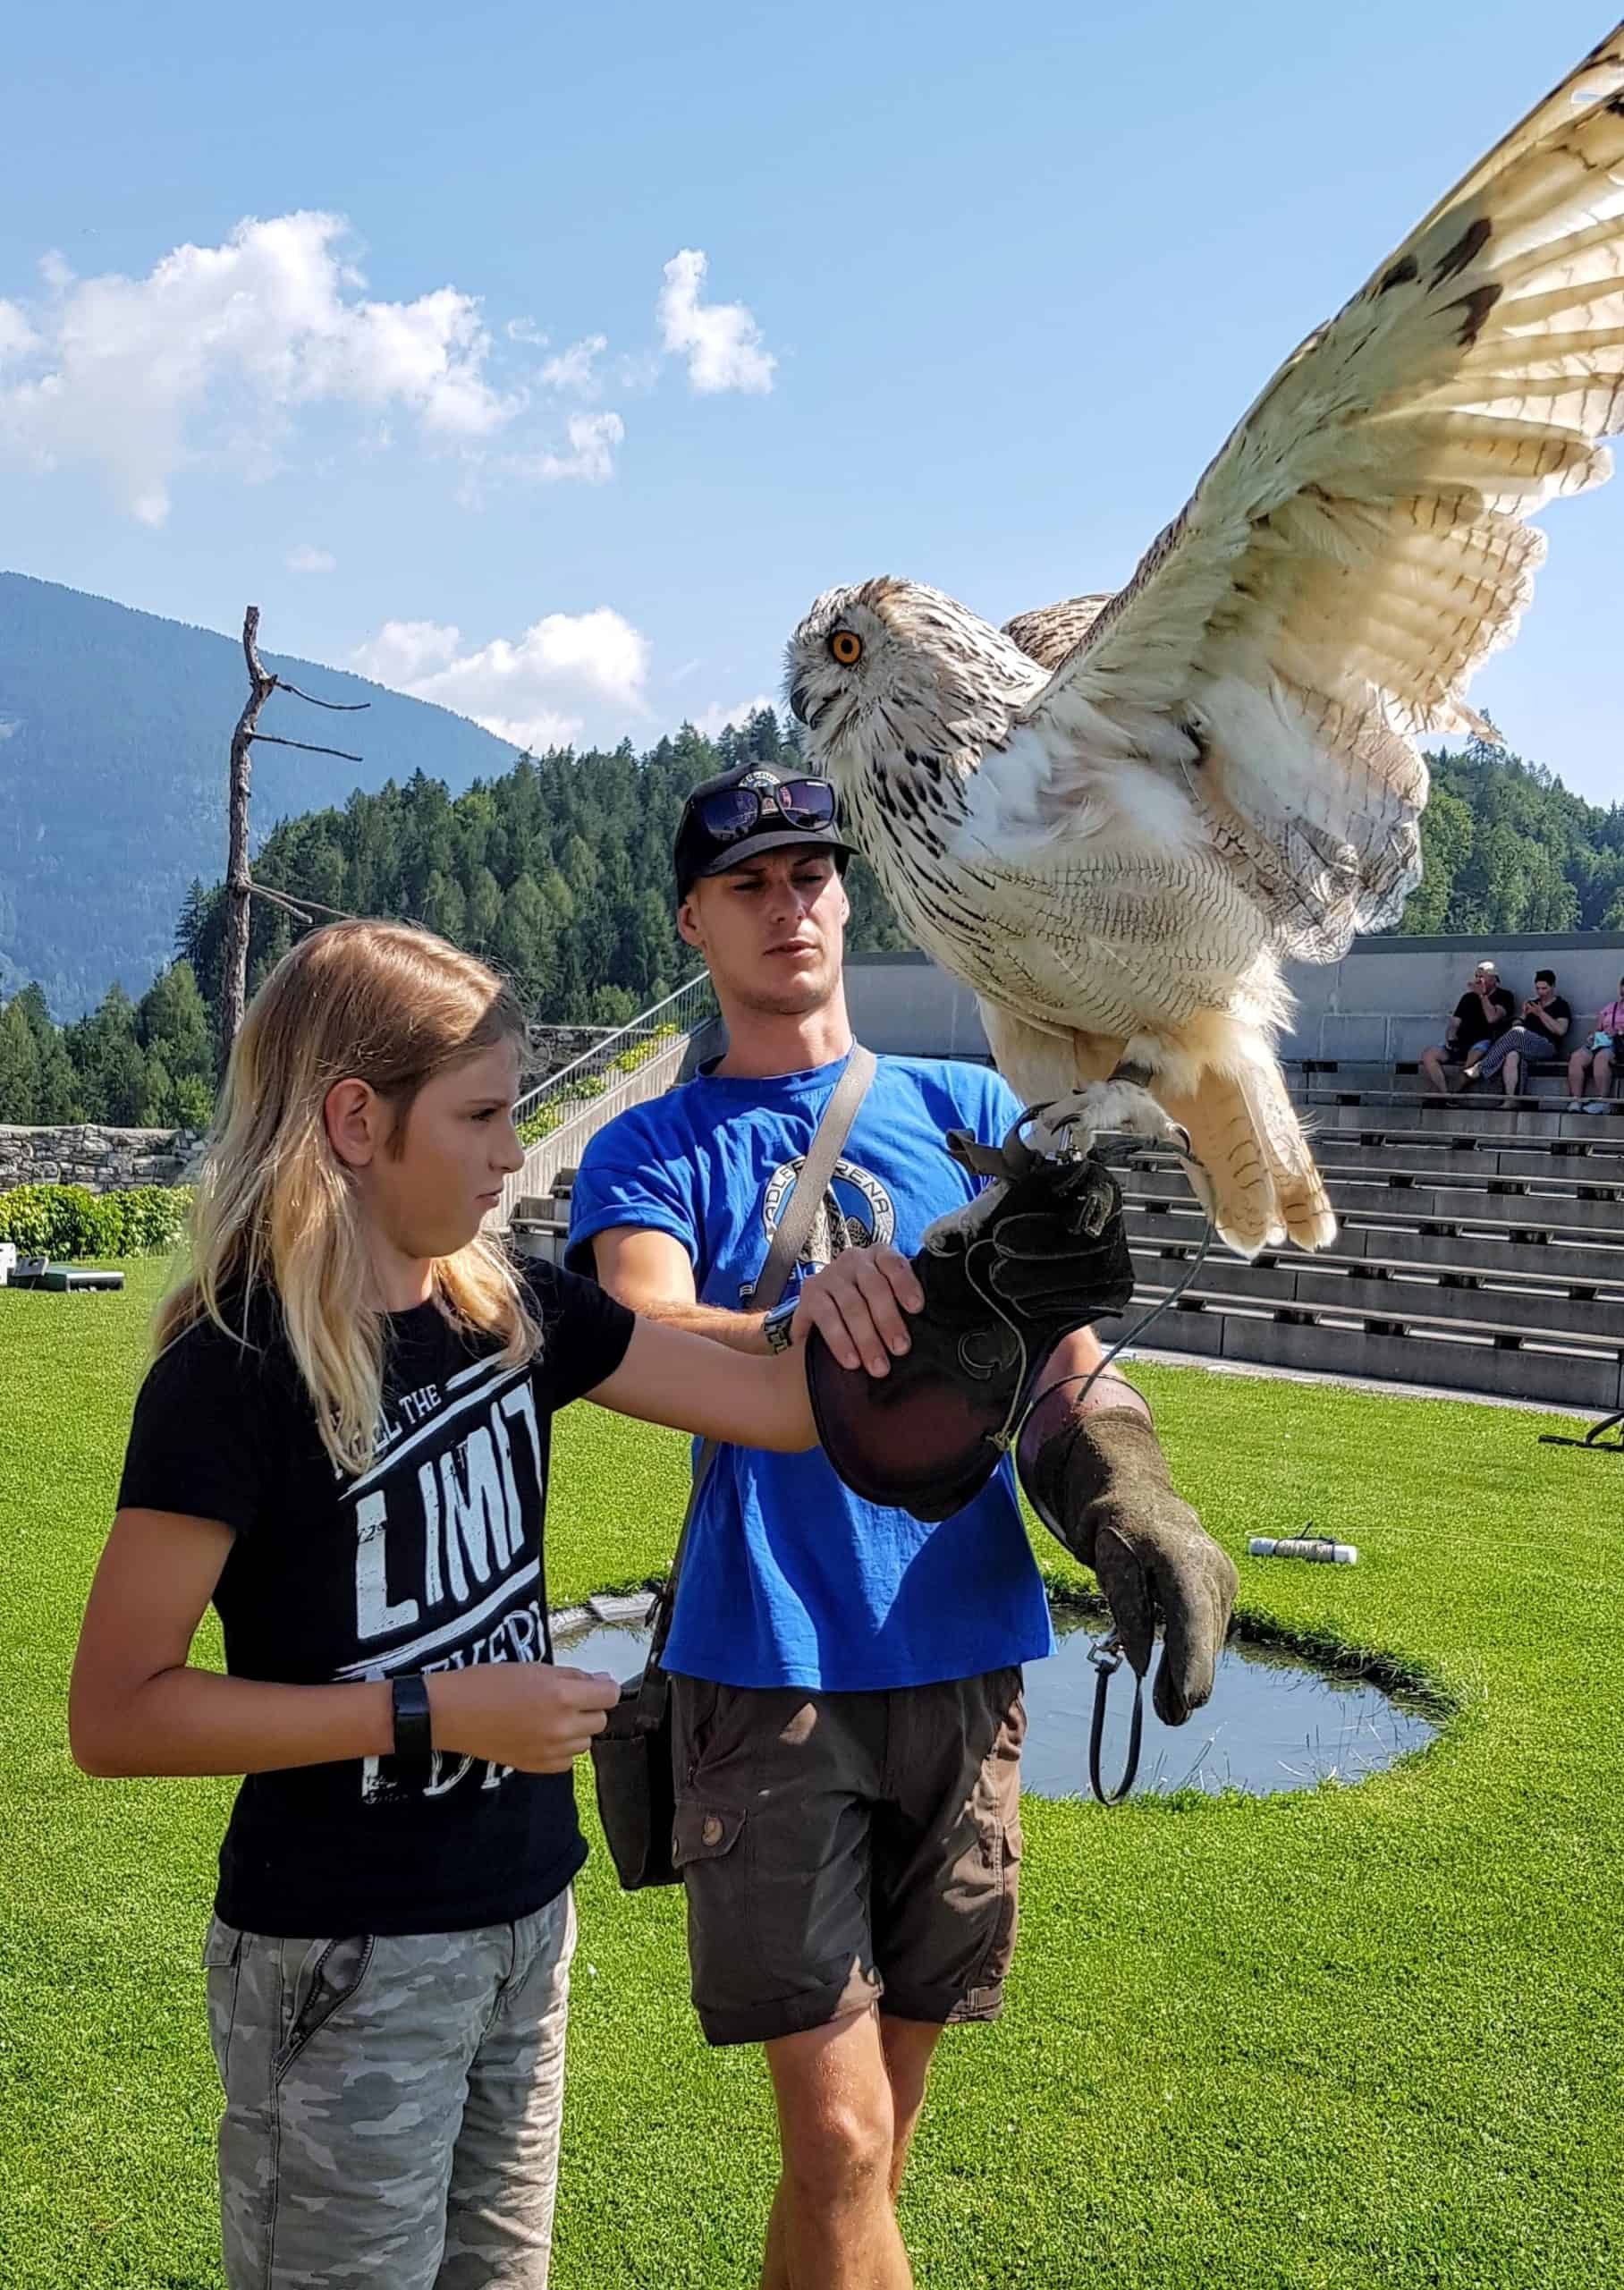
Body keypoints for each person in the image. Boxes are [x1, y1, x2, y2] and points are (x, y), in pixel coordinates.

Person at [66, 919, 909, 2290]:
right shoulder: (229, 1373)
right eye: (481, 1114)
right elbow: (116, 1713)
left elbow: (769, 1401)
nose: (517, 1152)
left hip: (525, 1921)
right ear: (354, 1120)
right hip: (341, 1959)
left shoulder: (513, 1307)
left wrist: (900, 1306)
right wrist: (431, 1710)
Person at [566, 760, 1233, 2290]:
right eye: (748, 883)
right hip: (771, 1670)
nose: (787, 903)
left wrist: (1132, 1501)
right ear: (695, 919)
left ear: (846, 896)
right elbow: (646, 1336)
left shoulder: (975, 1110)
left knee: (868, 2153)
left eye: (809, 873)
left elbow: (1064, 1363)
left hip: (965, 1660)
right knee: (846, 2147)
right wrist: (805, 1320)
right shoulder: (653, 1149)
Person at [1462, 968, 1570, 1101]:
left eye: (1544, 988)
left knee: (1517, 1033)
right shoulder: (1533, 1003)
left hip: (1548, 1046)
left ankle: (1481, 1068)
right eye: (1538, 988)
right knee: (1512, 1055)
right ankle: (1511, 1100)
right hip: (1525, 1045)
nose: (1541, 992)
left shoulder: (1561, 1005)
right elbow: (1516, 1026)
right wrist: (1523, 1015)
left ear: (1553, 986)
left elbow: (1560, 1031)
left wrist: (1541, 1014)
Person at [1419, 958, 1516, 1095]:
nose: (1478, 980)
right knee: (1429, 1054)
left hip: (1484, 1042)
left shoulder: (1505, 996)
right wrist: (1451, 1037)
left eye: (1482, 977)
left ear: (1493, 979)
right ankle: (1445, 1093)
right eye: (1476, 976)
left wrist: (1482, 996)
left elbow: (1492, 1018)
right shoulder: (1467, 998)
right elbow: (1454, 1023)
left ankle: (1457, 1090)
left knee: (1476, 1053)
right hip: (1462, 1041)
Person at [1568, 976, 1624, 1111]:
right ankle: (1576, 1100)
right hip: (1601, 1041)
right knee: (1576, 1057)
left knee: (1601, 1058)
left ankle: (1603, 1101)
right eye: (1622, 993)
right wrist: (1592, 1035)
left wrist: (1619, 1031)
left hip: (1617, 1045)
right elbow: (1597, 1027)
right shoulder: (1611, 1007)